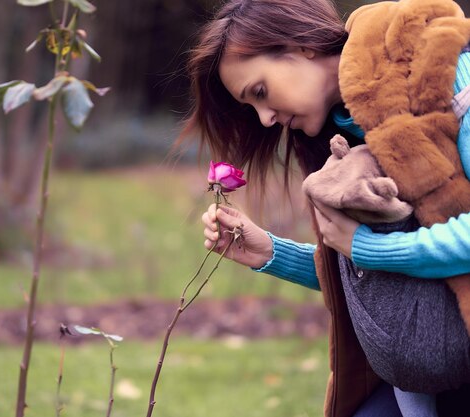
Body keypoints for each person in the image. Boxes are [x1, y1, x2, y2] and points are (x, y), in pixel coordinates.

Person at [176, 0, 470, 416]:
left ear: (301, 47)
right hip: (421, 389)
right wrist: (272, 254)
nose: (264, 119)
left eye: (260, 92)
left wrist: (367, 248)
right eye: (251, 107)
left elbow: (370, 251)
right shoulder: (341, 133)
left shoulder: (446, 76)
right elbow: (372, 274)